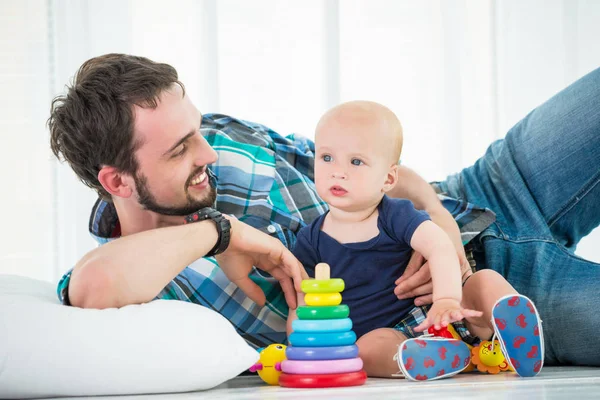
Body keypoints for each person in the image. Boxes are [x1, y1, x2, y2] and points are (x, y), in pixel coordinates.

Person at [48, 54, 600, 367]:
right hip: (473, 310)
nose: (208, 151)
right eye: (179, 149)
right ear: (115, 180)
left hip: (483, 193)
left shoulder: (220, 136)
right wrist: (221, 234)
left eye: (196, 130)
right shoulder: (141, 273)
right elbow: (91, 288)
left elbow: (374, 162)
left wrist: (435, 215)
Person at [287, 101, 544, 379]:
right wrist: (299, 345)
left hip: (448, 312)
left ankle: (513, 323)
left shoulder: (395, 214)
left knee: (484, 281)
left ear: (388, 178)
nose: (337, 171)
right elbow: (301, 302)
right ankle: (425, 358)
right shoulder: (310, 240)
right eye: (326, 158)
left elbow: (440, 246)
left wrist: (447, 299)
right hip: (387, 334)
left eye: (356, 161)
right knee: (366, 351)